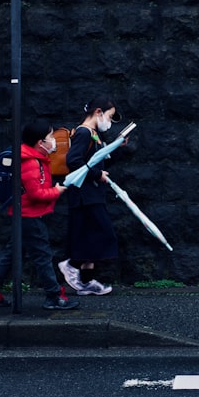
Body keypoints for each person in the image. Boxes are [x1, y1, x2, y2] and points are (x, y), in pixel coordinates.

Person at [0, 120, 79, 310]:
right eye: (50, 137)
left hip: (22, 214)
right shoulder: (31, 163)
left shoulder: (29, 158)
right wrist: (57, 192)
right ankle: (54, 296)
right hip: (30, 216)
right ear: (40, 143)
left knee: (10, 255)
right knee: (42, 256)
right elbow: (36, 194)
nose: (54, 141)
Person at [58, 97, 123, 296]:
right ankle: (71, 264)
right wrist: (97, 174)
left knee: (89, 236)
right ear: (98, 112)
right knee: (102, 234)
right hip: (85, 195)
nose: (109, 121)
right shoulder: (84, 133)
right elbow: (74, 160)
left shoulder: (92, 134)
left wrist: (116, 146)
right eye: (109, 116)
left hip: (91, 193)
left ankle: (86, 282)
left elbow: (94, 161)